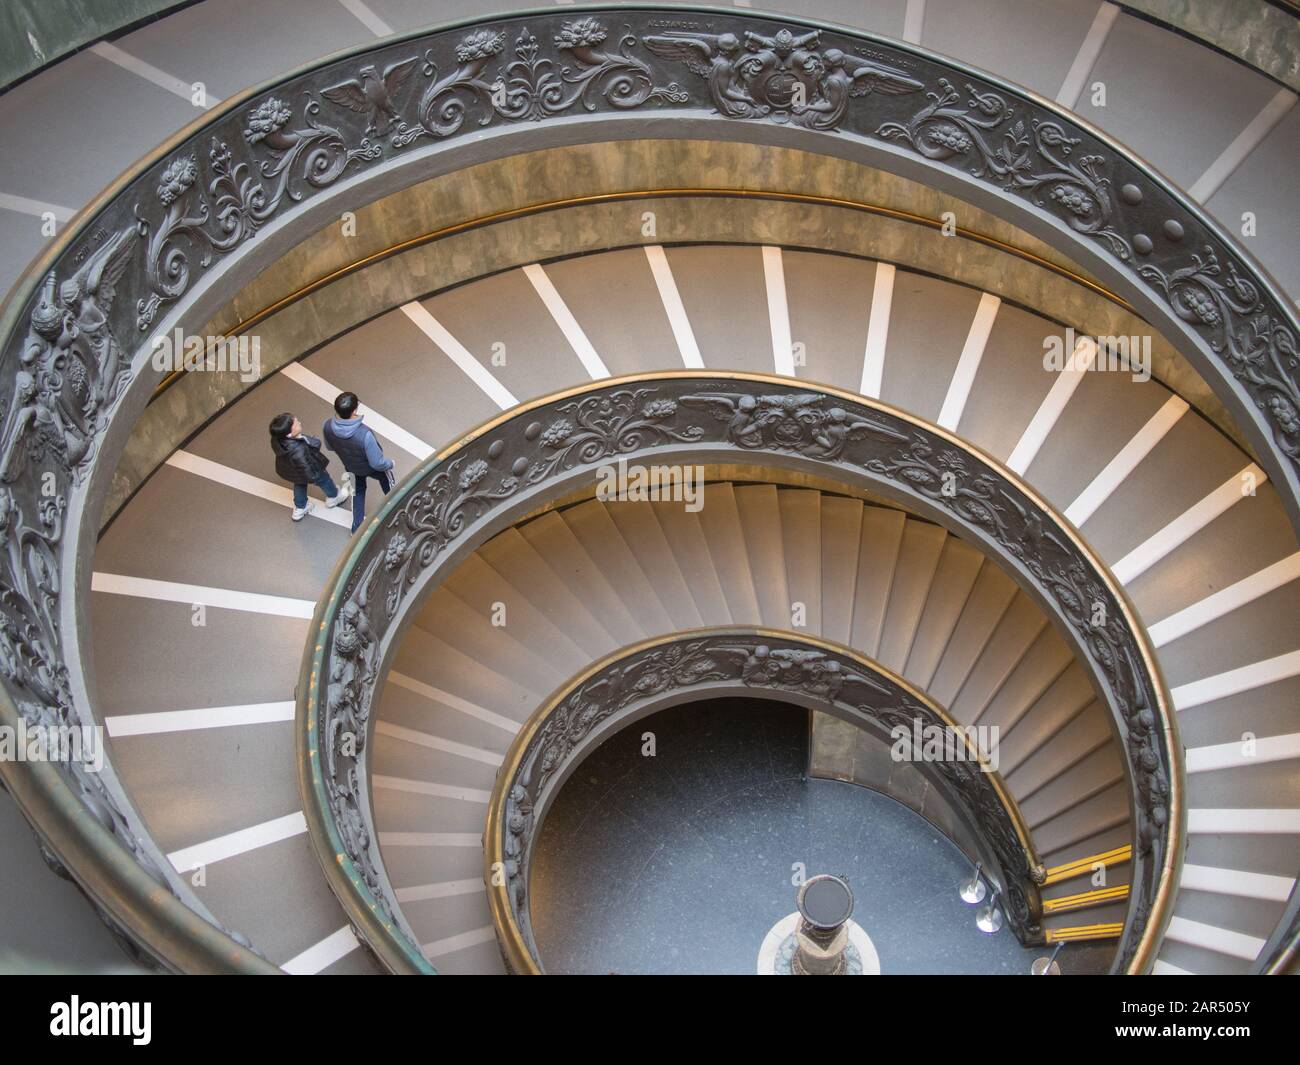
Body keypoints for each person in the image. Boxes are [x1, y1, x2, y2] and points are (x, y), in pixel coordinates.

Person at [322, 391, 396, 533]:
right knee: (388, 484)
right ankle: (397, 505)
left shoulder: (327, 426)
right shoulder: (364, 434)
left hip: (351, 466)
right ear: (355, 410)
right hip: (371, 468)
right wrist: (390, 463)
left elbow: (330, 447)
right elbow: (377, 463)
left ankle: (356, 527)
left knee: (357, 492)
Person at [269, 412, 350, 522]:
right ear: (289, 434)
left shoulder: (278, 440)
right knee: (324, 480)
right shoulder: (299, 449)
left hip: (294, 470)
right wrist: (315, 476)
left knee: (299, 484)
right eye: (296, 423)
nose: (299, 422)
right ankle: (334, 496)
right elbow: (309, 461)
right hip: (312, 469)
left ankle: (301, 506)